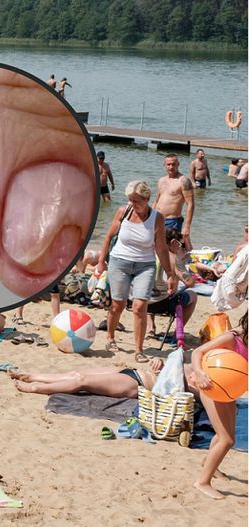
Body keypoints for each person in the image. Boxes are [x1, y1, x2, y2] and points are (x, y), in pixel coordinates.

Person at [96, 180, 178, 362]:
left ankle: (139, 350)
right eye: (130, 200)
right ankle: (110, 337)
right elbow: (109, 237)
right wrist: (101, 261)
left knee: (140, 306)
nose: (132, 203)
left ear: (147, 198)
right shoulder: (123, 211)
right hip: (119, 262)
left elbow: (161, 248)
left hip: (145, 265)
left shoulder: (157, 218)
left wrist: (170, 274)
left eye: (136, 200)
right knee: (118, 305)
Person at [188, 311, 247, 500]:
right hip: (211, 387)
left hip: (228, 389)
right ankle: (202, 482)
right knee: (227, 439)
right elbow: (197, 352)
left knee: (225, 434)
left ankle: (210, 464)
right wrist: (198, 372)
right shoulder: (232, 337)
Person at [10, 357, 171, 397]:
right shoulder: (184, 361)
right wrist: (160, 361)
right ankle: (32, 376)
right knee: (77, 374)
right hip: (135, 372)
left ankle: (35, 388)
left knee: (82, 381)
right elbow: (170, 365)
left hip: (138, 384)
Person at [145, 228, 197, 339]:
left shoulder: (146, 253)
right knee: (193, 295)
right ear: (174, 243)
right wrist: (180, 260)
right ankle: (176, 333)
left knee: (150, 287)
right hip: (163, 305)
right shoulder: (172, 258)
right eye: (181, 245)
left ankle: (150, 326)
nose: (182, 248)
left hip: (141, 302)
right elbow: (190, 282)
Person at [154, 153, 195, 250]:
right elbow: (157, 201)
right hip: (158, 219)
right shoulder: (161, 180)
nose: (171, 167)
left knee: (172, 250)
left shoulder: (183, 181)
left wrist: (187, 226)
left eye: (173, 164)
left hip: (172, 221)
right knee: (156, 247)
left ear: (178, 164)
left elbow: (190, 204)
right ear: (164, 165)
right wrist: (150, 217)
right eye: (168, 164)